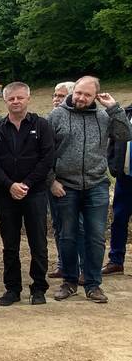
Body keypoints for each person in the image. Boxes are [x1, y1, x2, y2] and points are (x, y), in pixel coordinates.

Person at [49, 76, 132, 303]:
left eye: (87, 95)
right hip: (65, 185)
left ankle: (93, 284)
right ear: (72, 91)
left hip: (96, 184)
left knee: (95, 237)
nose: (81, 98)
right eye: (78, 93)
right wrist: (51, 181)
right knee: (67, 236)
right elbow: (44, 152)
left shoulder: (104, 116)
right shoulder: (56, 116)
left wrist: (114, 108)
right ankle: (69, 282)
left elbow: (125, 135)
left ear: (96, 96)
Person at [0, 82, 54, 306]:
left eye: (20, 98)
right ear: (5, 100)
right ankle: (12, 288)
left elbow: (47, 159)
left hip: (35, 193)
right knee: (10, 244)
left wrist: (25, 184)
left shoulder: (41, 125)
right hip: (6, 194)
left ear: (28, 99)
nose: (16, 102)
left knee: (38, 243)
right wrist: (9, 185)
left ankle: (39, 288)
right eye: (11, 98)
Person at [47, 81, 85, 280]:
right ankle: (64, 264)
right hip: (53, 181)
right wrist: (51, 180)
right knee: (58, 225)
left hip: (77, 184)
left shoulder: (82, 120)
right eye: (55, 95)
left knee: (78, 226)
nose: (56, 99)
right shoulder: (51, 119)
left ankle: (83, 268)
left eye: (61, 96)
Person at [102, 99, 132, 275]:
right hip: (125, 178)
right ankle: (116, 261)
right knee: (119, 219)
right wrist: (113, 166)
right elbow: (113, 141)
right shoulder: (125, 113)